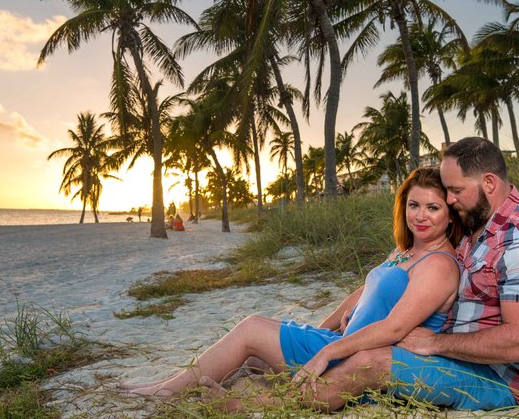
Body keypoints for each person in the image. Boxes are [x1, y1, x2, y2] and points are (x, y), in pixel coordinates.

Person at [118, 168, 463, 401]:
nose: (420, 215)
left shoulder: (438, 265)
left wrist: (326, 351)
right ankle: (170, 384)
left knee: (252, 329)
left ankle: (167, 391)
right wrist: (322, 331)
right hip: (342, 343)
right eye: (413, 204)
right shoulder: (405, 250)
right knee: (255, 346)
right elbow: (361, 294)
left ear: (450, 214)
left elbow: (394, 327)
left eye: (432, 207)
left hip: (354, 360)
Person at [297, 136, 519, 412]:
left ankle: (271, 404)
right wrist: (364, 310)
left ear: (489, 183)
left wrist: (435, 343)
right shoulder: (474, 223)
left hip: (498, 380)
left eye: (456, 190)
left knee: (370, 361)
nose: (449, 200)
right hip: (453, 356)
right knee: (345, 347)